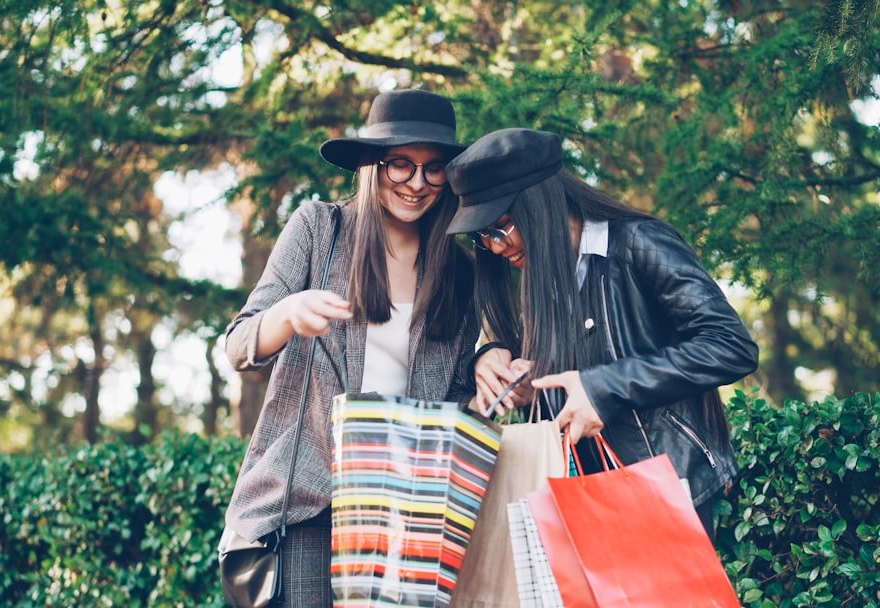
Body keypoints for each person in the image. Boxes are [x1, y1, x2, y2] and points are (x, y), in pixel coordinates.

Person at [223, 89, 478, 606]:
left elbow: (458, 397)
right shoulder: (320, 229)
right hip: (309, 506)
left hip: (407, 515)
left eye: (433, 169)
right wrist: (286, 315)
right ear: (370, 165)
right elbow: (238, 345)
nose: (416, 183)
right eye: (400, 165)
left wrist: (489, 371)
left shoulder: (462, 270)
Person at [446, 128, 759, 539]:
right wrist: (501, 362)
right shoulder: (543, 279)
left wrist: (604, 388)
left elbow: (730, 345)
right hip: (576, 501)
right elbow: (552, 377)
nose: (497, 247)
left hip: (661, 489)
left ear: (539, 204)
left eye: (501, 228)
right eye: (483, 237)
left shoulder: (639, 244)